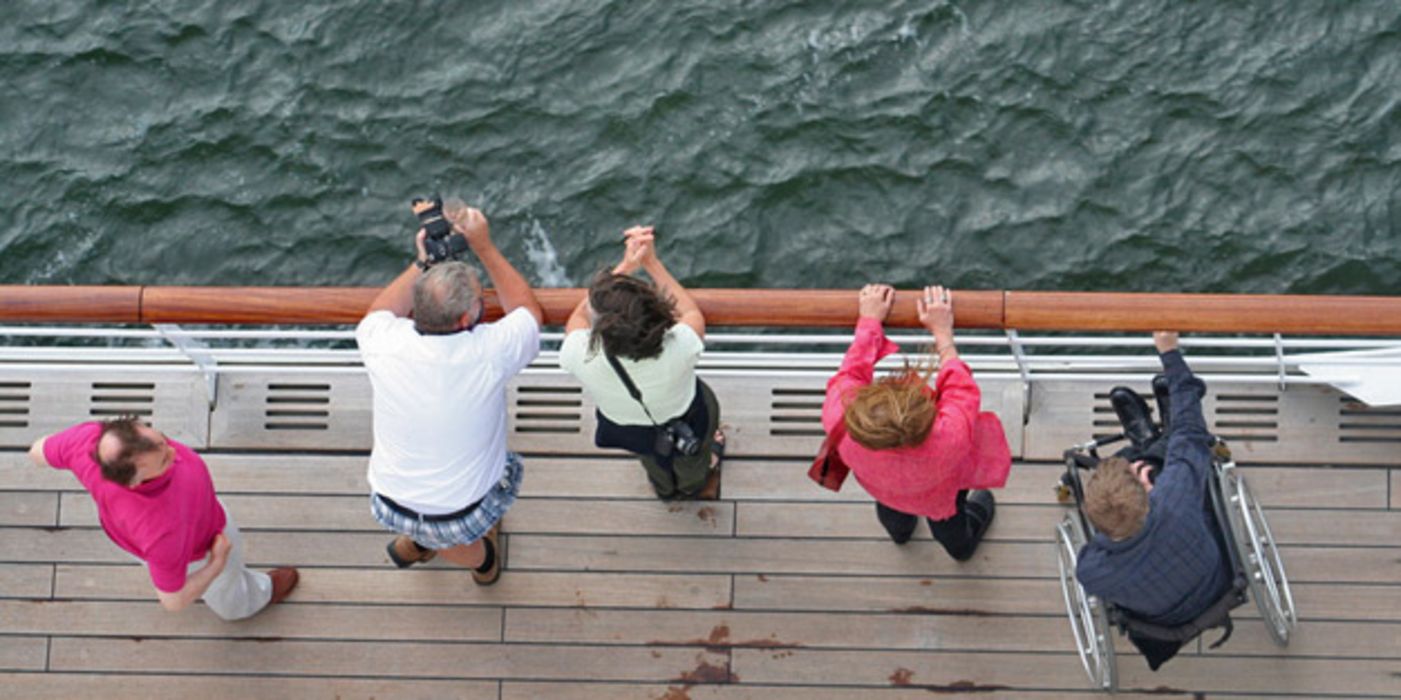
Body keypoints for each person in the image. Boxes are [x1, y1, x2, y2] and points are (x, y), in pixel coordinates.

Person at [356, 199, 543, 585]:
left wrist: (422, 263)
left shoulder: (381, 340)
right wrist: (485, 247)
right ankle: (482, 564)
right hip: (458, 513)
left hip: (389, 502)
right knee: (466, 540)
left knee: (431, 511)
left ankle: (418, 543)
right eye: (479, 301)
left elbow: (380, 309)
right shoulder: (488, 351)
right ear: (465, 318)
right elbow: (527, 312)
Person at [27, 418, 298, 618]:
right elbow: (173, 600)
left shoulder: (88, 440)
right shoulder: (162, 535)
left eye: (164, 441)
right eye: (164, 461)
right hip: (198, 548)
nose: (174, 454)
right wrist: (216, 562)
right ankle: (248, 600)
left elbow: (37, 452)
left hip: (149, 529)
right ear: (134, 481)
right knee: (225, 586)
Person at [1075, 331, 1233, 668]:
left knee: (1138, 453)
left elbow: (1096, 550)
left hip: (1161, 623)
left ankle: (1143, 438)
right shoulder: (1173, 497)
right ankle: (1155, 439)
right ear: (1147, 489)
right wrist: (1169, 353)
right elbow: (1193, 432)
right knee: (1175, 451)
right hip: (1214, 581)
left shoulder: (1090, 571)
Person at [820, 283, 1011, 560]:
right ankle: (961, 551)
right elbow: (960, 386)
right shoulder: (949, 438)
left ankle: (901, 534)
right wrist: (942, 331)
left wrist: (869, 320)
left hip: (883, 487)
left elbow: (851, 370)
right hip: (938, 497)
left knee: (892, 511)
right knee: (951, 529)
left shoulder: (840, 417)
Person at [559, 226, 724, 500]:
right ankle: (692, 485)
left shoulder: (581, 353)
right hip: (688, 417)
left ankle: (664, 488)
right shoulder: (679, 346)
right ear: (657, 314)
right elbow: (691, 311)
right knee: (692, 458)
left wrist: (626, 266)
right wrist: (651, 263)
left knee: (651, 455)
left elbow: (578, 317)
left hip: (629, 426)